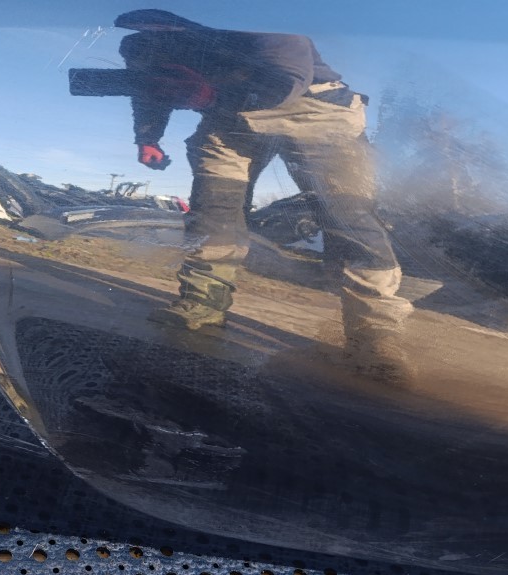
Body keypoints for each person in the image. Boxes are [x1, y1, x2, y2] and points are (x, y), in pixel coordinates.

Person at [115, 9, 414, 383]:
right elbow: (149, 91)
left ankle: (375, 337)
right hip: (230, 119)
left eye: (162, 32)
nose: (152, 39)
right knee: (215, 208)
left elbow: (285, 81)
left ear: (182, 26)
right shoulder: (140, 47)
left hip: (316, 110)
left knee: (346, 213)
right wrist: (147, 137)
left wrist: (209, 92)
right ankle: (202, 304)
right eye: (145, 33)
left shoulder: (257, 28)